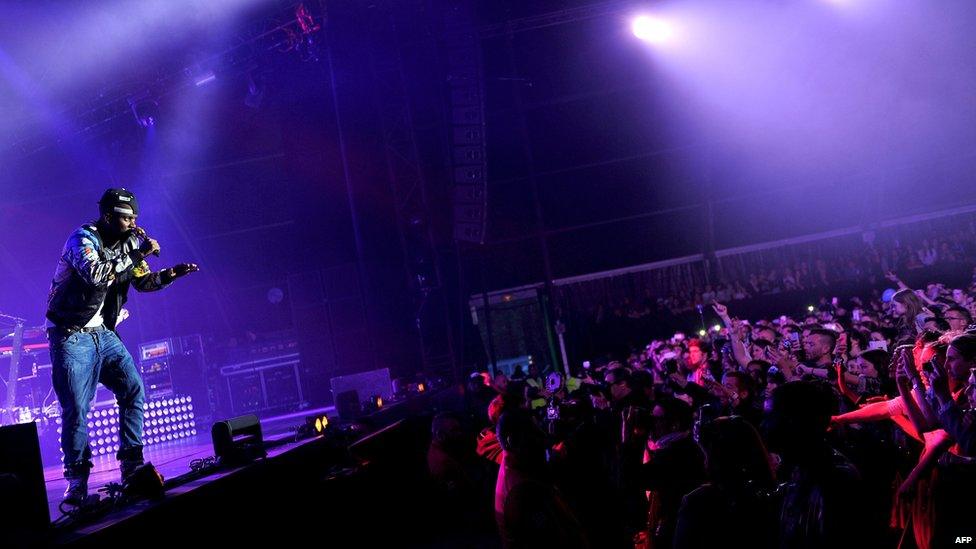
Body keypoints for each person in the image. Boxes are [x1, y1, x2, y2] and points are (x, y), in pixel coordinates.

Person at [46, 188, 199, 506]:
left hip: (103, 333)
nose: (133, 224)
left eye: (135, 218)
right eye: (126, 218)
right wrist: (138, 252)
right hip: (70, 335)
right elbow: (97, 275)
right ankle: (76, 484)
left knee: (133, 391)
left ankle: (131, 464)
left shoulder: (130, 243)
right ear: (108, 217)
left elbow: (144, 282)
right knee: (76, 410)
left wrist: (172, 274)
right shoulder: (82, 239)